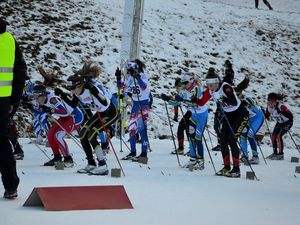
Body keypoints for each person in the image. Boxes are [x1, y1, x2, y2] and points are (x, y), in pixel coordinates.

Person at [64, 61, 119, 175]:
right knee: (83, 133)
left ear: (80, 85)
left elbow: (105, 103)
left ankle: (103, 165)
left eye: (73, 88)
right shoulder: (77, 92)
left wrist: (94, 91)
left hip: (111, 112)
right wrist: (62, 95)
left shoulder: (93, 88)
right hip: (101, 113)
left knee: (92, 134)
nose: (72, 91)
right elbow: (73, 105)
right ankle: (91, 163)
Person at [193, 68, 249, 178]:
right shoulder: (210, 91)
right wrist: (193, 99)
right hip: (228, 115)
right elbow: (201, 102)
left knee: (232, 140)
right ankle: (226, 167)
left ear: (217, 82)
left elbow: (233, 101)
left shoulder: (226, 87)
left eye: (212, 85)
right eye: (208, 85)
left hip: (240, 114)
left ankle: (236, 169)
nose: (210, 88)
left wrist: (222, 98)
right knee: (222, 140)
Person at [0, 18, 27, 199]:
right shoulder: (9, 39)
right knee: (2, 143)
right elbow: (20, 71)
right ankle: (11, 186)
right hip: (3, 101)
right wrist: (14, 100)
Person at [162, 72, 208, 170]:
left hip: (201, 115)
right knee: (191, 137)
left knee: (198, 137)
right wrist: (168, 99)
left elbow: (195, 104)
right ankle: (192, 159)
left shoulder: (197, 89)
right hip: (193, 115)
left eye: (186, 82)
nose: (184, 84)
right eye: (183, 82)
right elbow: (176, 102)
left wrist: (182, 100)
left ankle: (200, 161)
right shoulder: (183, 90)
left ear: (191, 81)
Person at [32, 84, 83, 167]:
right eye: (34, 96)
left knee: (58, 135)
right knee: (50, 134)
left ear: (43, 95)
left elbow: (65, 111)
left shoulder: (53, 99)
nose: (35, 99)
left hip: (75, 117)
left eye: (37, 96)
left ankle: (68, 159)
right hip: (65, 117)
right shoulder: (43, 99)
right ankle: (57, 158)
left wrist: (51, 110)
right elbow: (45, 110)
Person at [116, 60, 151, 163]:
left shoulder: (144, 76)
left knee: (141, 129)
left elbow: (144, 87)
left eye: (132, 70)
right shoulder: (130, 78)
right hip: (135, 104)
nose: (130, 73)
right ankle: (133, 152)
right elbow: (121, 87)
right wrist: (118, 78)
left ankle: (144, 154)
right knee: (131, 128)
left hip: (143, 105)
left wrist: (138, 77)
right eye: (129, 71)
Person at [264, 93, 293, 160]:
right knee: (273, 137)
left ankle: (281, 154)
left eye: (272, 102)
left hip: (287, 122)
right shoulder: (268, 107)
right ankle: (275, 153)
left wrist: (282, 112)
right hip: (279, 123)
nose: (270, 103)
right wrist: (264, 114)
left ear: (275, 101)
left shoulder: (281, 106)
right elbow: (267, 115)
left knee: (279, 136)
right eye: (269, 101)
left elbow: (290, 116)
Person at [239, 94, 264, 165]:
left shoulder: (246, 97)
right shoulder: (233, 100)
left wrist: (246, 104)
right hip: (249, 119)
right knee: (242, 135)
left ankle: (255, 157)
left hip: (257, 118)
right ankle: (244, 156)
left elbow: (254, 104)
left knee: (250, 135)